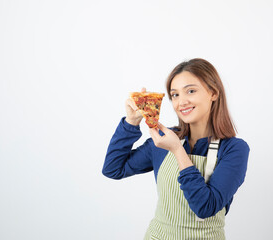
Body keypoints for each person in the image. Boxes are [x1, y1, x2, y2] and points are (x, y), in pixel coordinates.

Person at [103, 58, 250, 239]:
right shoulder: (164, 140)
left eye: (190, 91)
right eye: (175, 95)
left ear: (213, 93)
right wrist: (131, 122)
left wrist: (178, 151)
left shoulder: (234, 149)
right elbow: (113, 169)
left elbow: (205, 207)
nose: (181, 102)